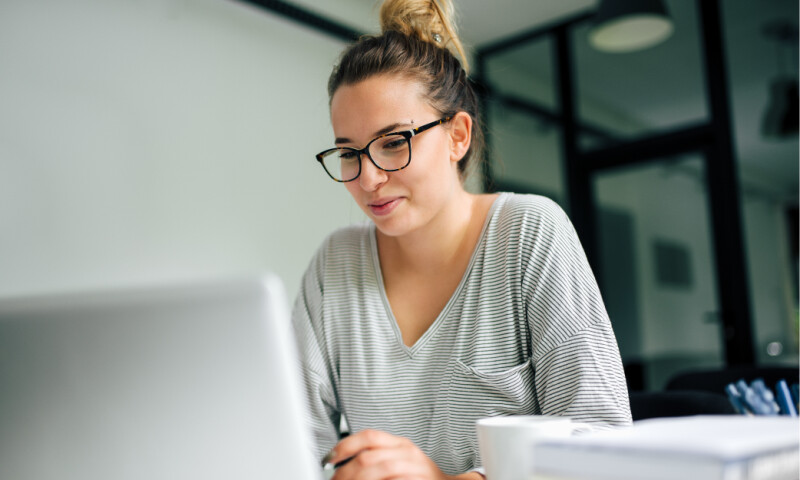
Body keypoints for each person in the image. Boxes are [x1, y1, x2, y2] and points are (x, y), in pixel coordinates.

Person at [292, 0, 632, 478]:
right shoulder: (336, 265)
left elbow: (604, 441)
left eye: (394, 143)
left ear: (458, 136)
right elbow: (295, 441)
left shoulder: (529, 234)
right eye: (348, 154)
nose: (367, 179)